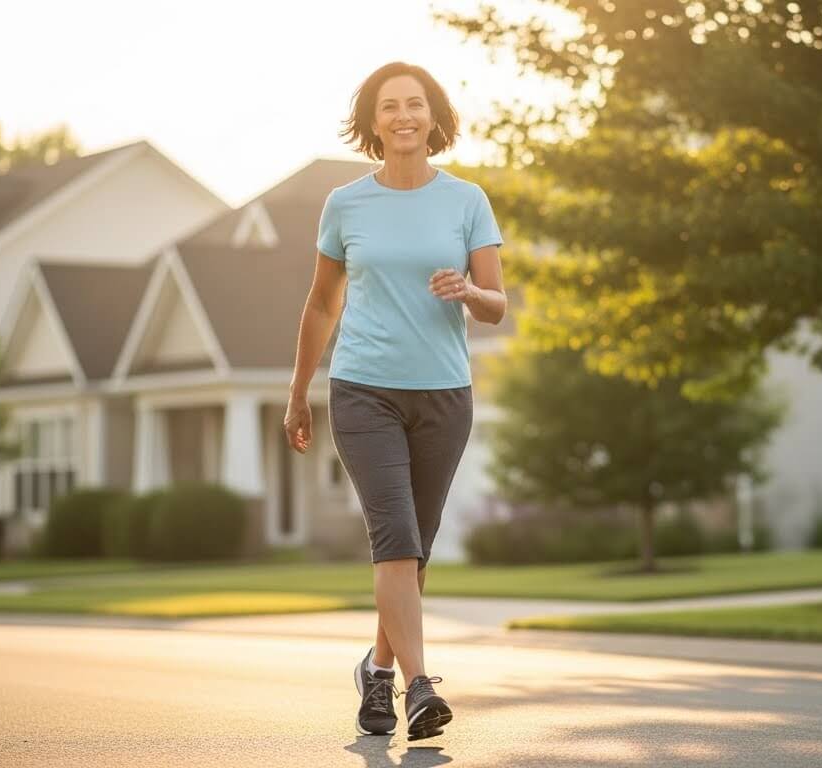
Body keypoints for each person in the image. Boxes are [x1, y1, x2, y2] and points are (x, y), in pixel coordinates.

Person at [283, 61, 507, 741]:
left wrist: (468, 293)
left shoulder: (466, 199)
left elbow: (497, 303)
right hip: (363, 390)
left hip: (444, 393)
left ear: (434, 117)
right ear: (372, 122)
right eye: (390, 107)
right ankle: (419, 689)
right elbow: (322, 303)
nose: (404, 116)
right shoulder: (345, 204)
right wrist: (297, 393)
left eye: (415, 104)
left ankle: (376, 673)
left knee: (416, 549)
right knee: (395, 541)